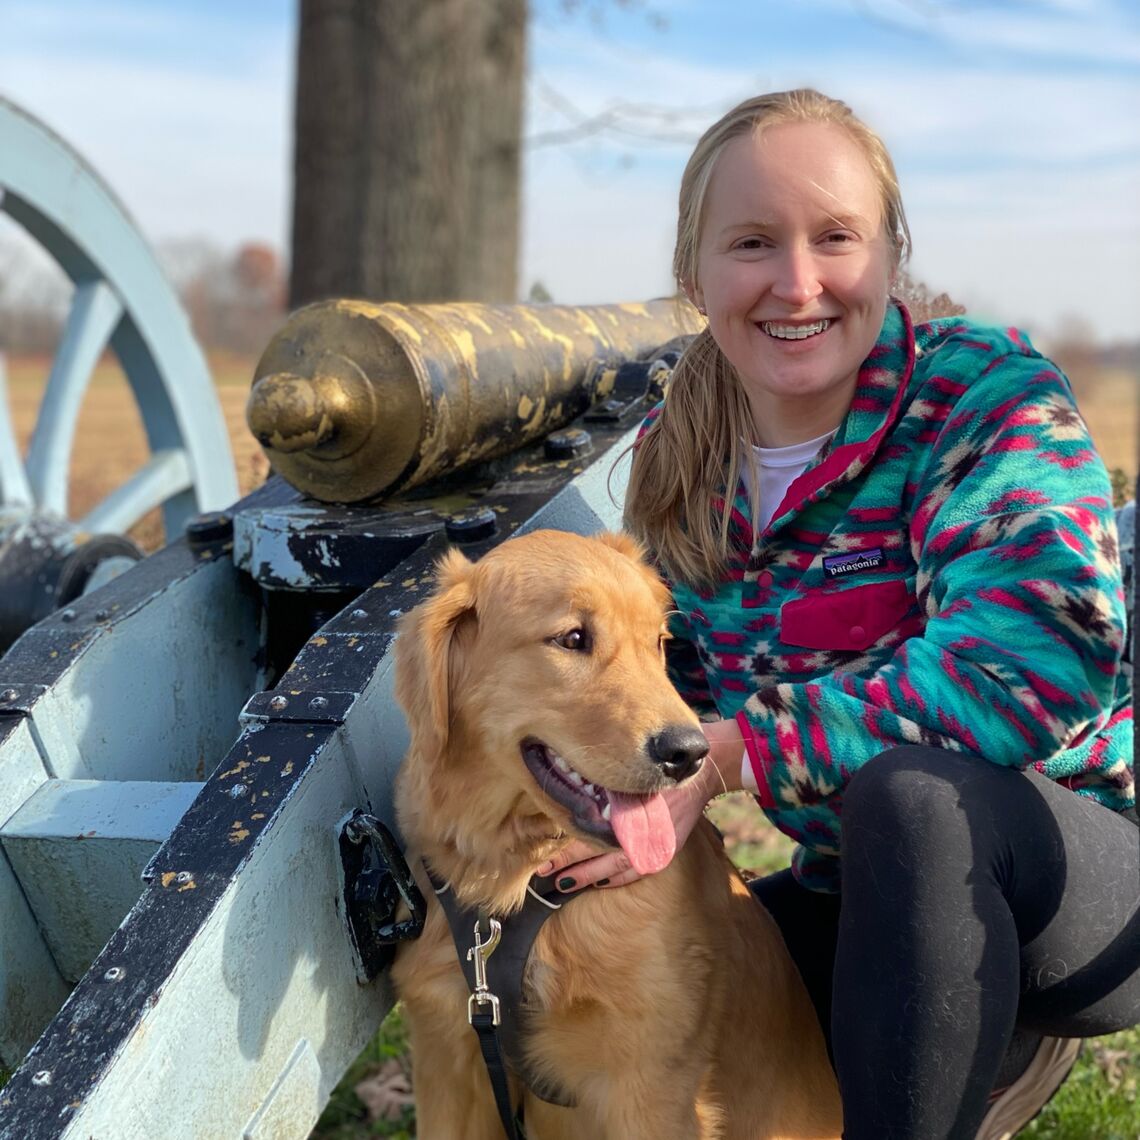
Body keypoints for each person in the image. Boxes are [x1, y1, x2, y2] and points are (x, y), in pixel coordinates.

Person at [537, 89, 1139, 1139]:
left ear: (889, 259)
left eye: (836, 238)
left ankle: (977, 1062)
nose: (797, 282)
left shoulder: (984, 396)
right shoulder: (679, 469)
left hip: (1062, 869)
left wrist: (736, 755)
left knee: (911, 798)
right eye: (754, 242)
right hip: (849, 893)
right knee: (616, 988)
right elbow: (655, 698)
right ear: (697, 276)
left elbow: (1038, 658)